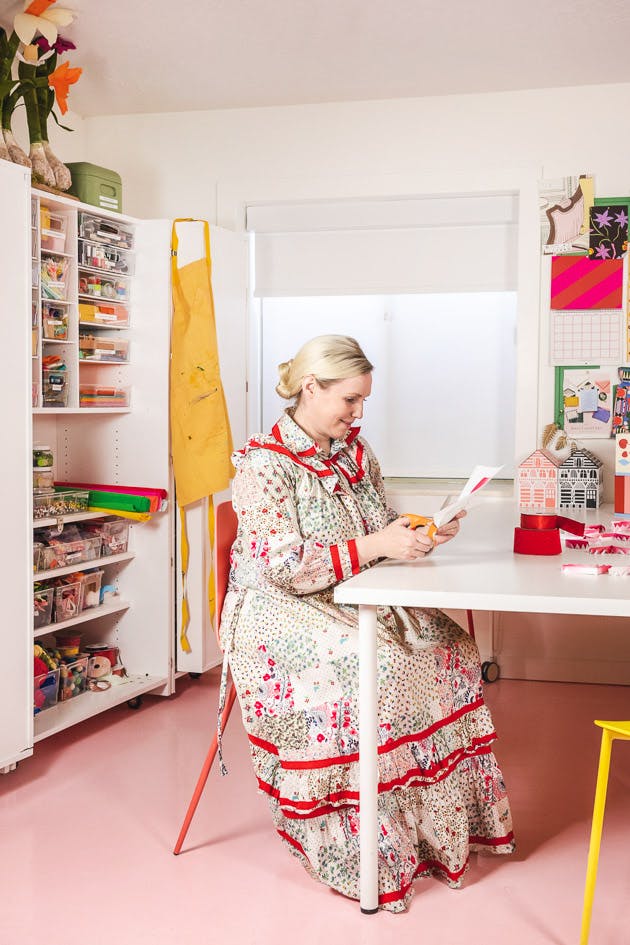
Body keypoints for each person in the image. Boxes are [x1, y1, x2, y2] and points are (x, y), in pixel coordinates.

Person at [218, 334, 514, 912]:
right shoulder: (263, 464)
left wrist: (420, 529)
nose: (358, 414)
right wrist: (379, 542)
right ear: (311, 388)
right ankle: (368, 849)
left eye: (363, 403)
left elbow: (376, 523)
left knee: (447, 646)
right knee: (378, 670)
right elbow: (283, 565)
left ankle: (429, 836)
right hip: (278, 607)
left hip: (352, 590)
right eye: (350, 400)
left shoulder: (354, 450)